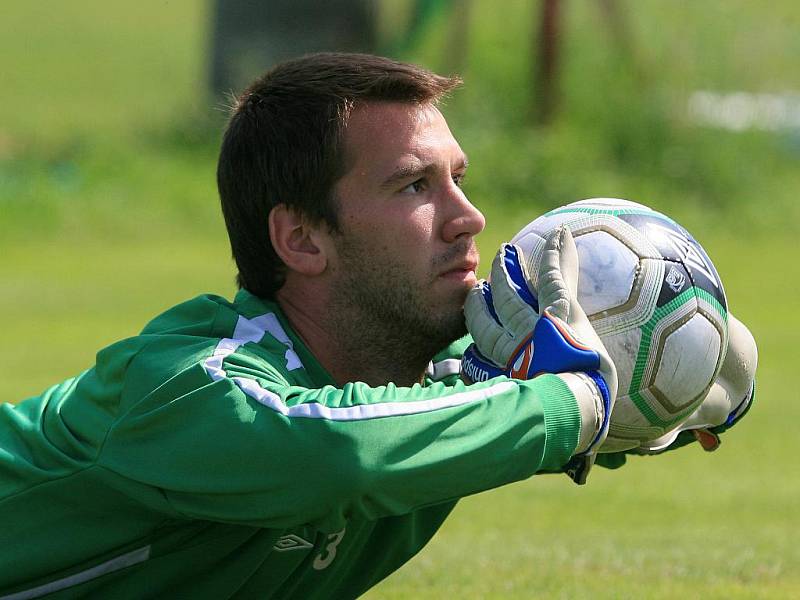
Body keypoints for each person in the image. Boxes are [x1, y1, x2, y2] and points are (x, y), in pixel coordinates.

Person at [0, 53, 755, 599]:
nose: (469, 218)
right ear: (302, 239)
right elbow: (334, 451)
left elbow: (491, 406)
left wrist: (663, 390)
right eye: (415, 185)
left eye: (460, 178)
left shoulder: (436, 382)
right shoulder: (188, 385)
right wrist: (566, 401)